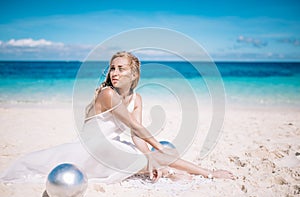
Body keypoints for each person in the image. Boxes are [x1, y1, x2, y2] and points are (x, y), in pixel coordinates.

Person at [0, 51, 234, 185]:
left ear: (133, 74)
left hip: (112, 145)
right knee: (156, 155)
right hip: (93, 147)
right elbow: (133, 124)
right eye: (112, 68)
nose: (114, 73)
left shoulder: (137, 98)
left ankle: (205, 173)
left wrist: (150, 154)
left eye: (121, 69)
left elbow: (136, 133)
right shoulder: (107, 94)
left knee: (152, 154)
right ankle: (179, 172)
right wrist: (155, 153)